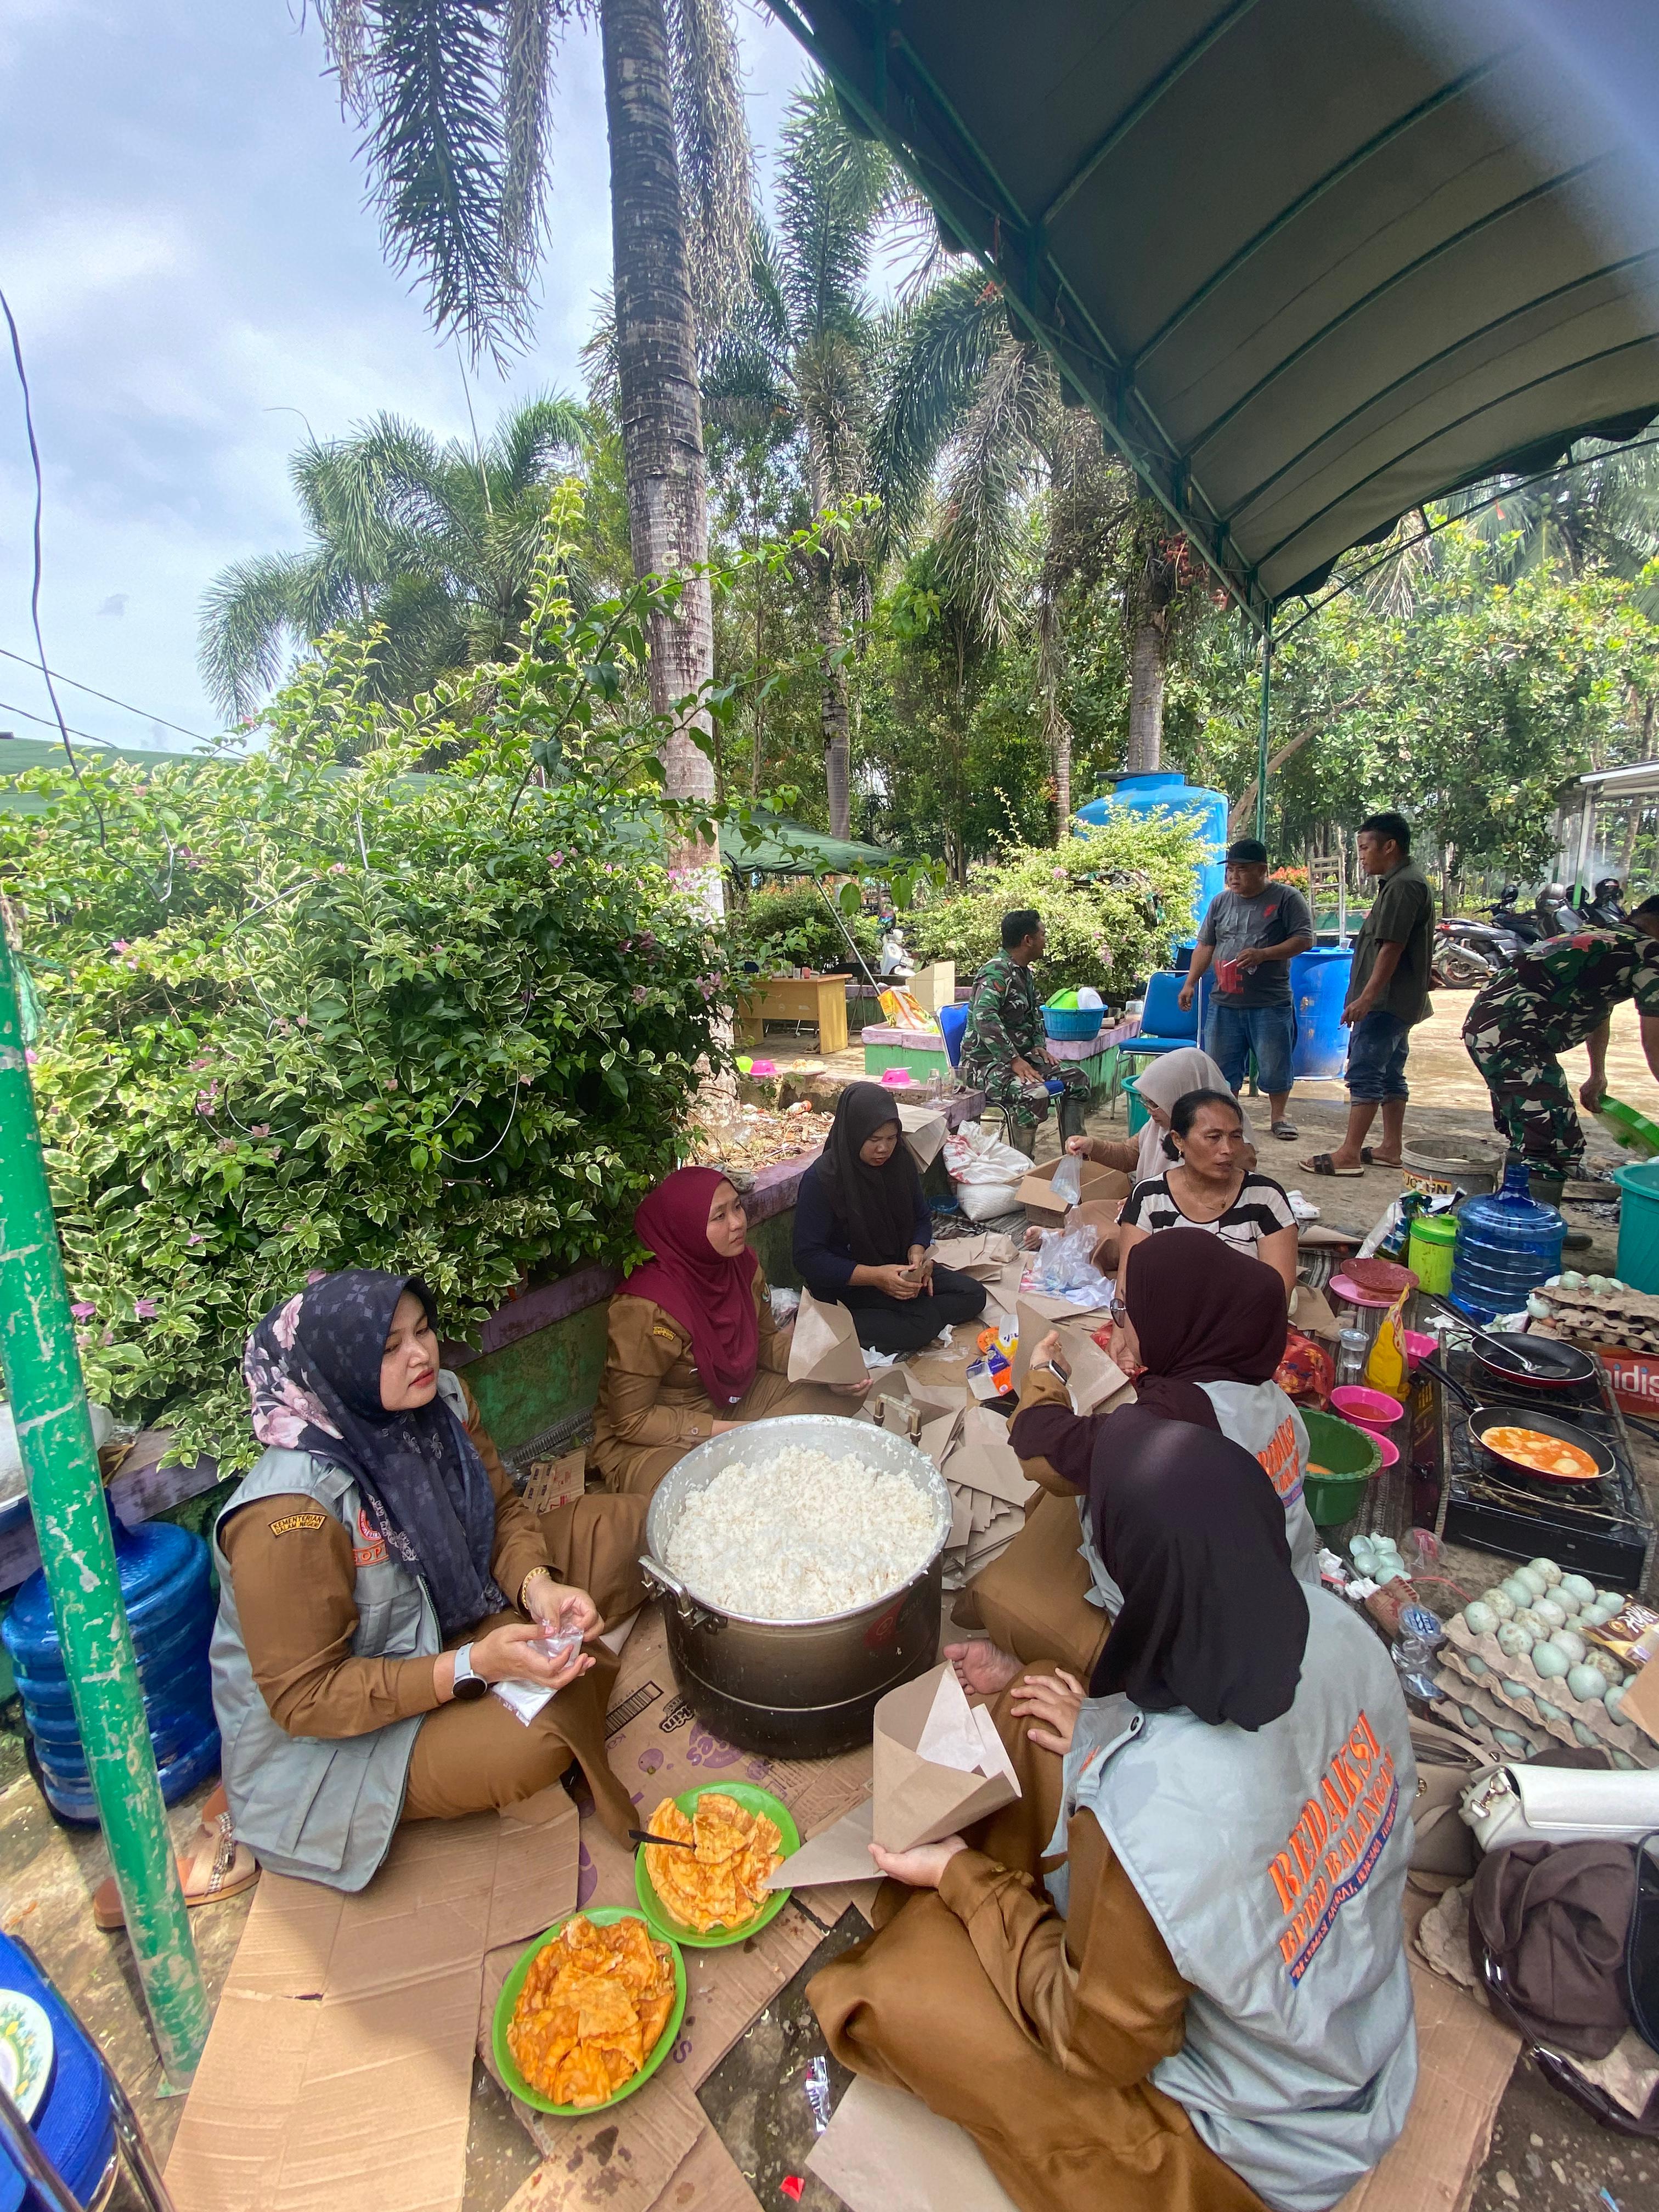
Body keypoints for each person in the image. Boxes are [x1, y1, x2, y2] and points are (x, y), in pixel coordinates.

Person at [811, 1406, 1417, 2212]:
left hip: (1254, 2140)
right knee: (1032, 1726)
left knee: (887, 1990)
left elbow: (1094, 2043)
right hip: (1352, 2029)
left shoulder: (1157, 1809)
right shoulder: (1342, 1631)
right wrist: (1099, 1720)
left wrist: (963, 1876)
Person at [206, 1269, 648, 1895]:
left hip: (460, 1612)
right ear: (339, 1370)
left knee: (634, 1528)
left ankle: (530, 1652)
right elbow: (307, 1700)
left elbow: (502, 1511)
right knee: (540, 1740)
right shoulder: (289, 1514)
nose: (420, 1354)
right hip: (350, 1728)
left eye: (424, 1331)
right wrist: (471, 1666)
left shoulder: (443, 1403)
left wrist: (538, 1587)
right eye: (389, 1348)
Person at [952, 1229, 1320, 1691]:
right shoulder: (1266, 1396)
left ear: (1178, 1319)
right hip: (1285, 1596)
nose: (1121, 1324)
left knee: (1003, 1595)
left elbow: (1041, 1448)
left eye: (1127, 1310)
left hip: (1204, 1652)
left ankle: (1070, 1678)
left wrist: (1043, 1378)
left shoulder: (1174, 1430)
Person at [591, 1166, 863, 1496]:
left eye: (737, 1207)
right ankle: (765, 1455)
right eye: (718, 1217)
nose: (737, 1223)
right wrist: (735, 1432)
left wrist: (824, 1369)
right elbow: (631, 1420)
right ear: (686, 1229)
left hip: (737, 1395)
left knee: (838, 1396)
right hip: (663, 1433)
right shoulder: (648, 1308)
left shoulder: (742, 1266)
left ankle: (763, 1456)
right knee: (687, 1498)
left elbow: (764, 1343)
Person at [1463, 895, 1659, 1204]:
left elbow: (1600, 1008)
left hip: (1489, 1031)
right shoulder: (1649, 951)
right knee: (1553, 1139)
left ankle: (1519, 1219)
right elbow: (1655, 1040)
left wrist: (1598, 1074)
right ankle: (1532, 1233)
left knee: (1530, 1129)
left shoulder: (1600, 936)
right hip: (1514, 1038)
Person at [794, 1083, 987, 1353]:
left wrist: (917, 1258)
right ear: (853, 1133)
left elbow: (920, 1217)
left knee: (973, 1294)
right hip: (850, 1285)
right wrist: (875, 1277)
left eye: (891, 1138)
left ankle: (912, 1317)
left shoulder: (899, 1163)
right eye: (873, 1139)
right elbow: (808, 1258)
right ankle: (846, 1321)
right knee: (919, 1323)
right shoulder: (823, 1180)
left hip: (896, 1270)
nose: (884, 1148)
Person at [1304, 812, 1434, 1177]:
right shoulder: (1401, 883)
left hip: (1385, 1002)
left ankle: (1349, 1152)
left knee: (1365, 1071)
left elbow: (1391, 947)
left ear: (1389, 846)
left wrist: (1366, 998)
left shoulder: (1404, 885)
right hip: (1398, 999)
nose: (1360, 855)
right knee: (1391, 1071)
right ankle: (1391, 1147)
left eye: (1364, 847)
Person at [1180, 839, 1313, 1142]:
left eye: (1241, 870)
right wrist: (1190, 983)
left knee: (1275, 1064)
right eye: (1230, 871)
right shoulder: (1220, 902)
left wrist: (1264, 954)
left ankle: (1279, 1117)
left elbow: (1305, 940)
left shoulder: (1286, 899)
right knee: (1222, 1069)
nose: (1233, 877)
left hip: (1269, 1002)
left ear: (1262, 871)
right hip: (1224, 1002)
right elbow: (1206, 945)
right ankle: (1231, 1120)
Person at [1118, 1090, 1299, 1294]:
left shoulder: (1266, 1198)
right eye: (1214, 1137)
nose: (1228, 1149)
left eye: (1236, 1136)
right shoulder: (1148, 1197)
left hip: (1244, 1319)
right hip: (1163, 1318)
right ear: (1178, 1140)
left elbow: (1277, 1291)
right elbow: (1128, 1289)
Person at [959, 909, 1091, 1156]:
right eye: (1042, 935)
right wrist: (1014, 1059)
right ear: (1028, 940)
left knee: (1077, 1078)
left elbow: (1033, 1014)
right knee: (1034, 1093)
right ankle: (1024, 1165)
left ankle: (1077, 1155)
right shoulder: (995, 972)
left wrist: (1038, 1044)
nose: (1045, 940)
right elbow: (984, 1018)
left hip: (1018, 1062)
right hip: (984, 1066)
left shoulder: (1023, 973)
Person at [1066, 1045, 1257, 1183]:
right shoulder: (1157, 1127)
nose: (1149, 1110)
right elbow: (1129, 1155)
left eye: (1155, 1104)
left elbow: (1218, 1198)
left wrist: (1152, 1202)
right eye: (1147, 1102)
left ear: (1183, 1095)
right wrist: (1091, 1146)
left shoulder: (1232, 1148)